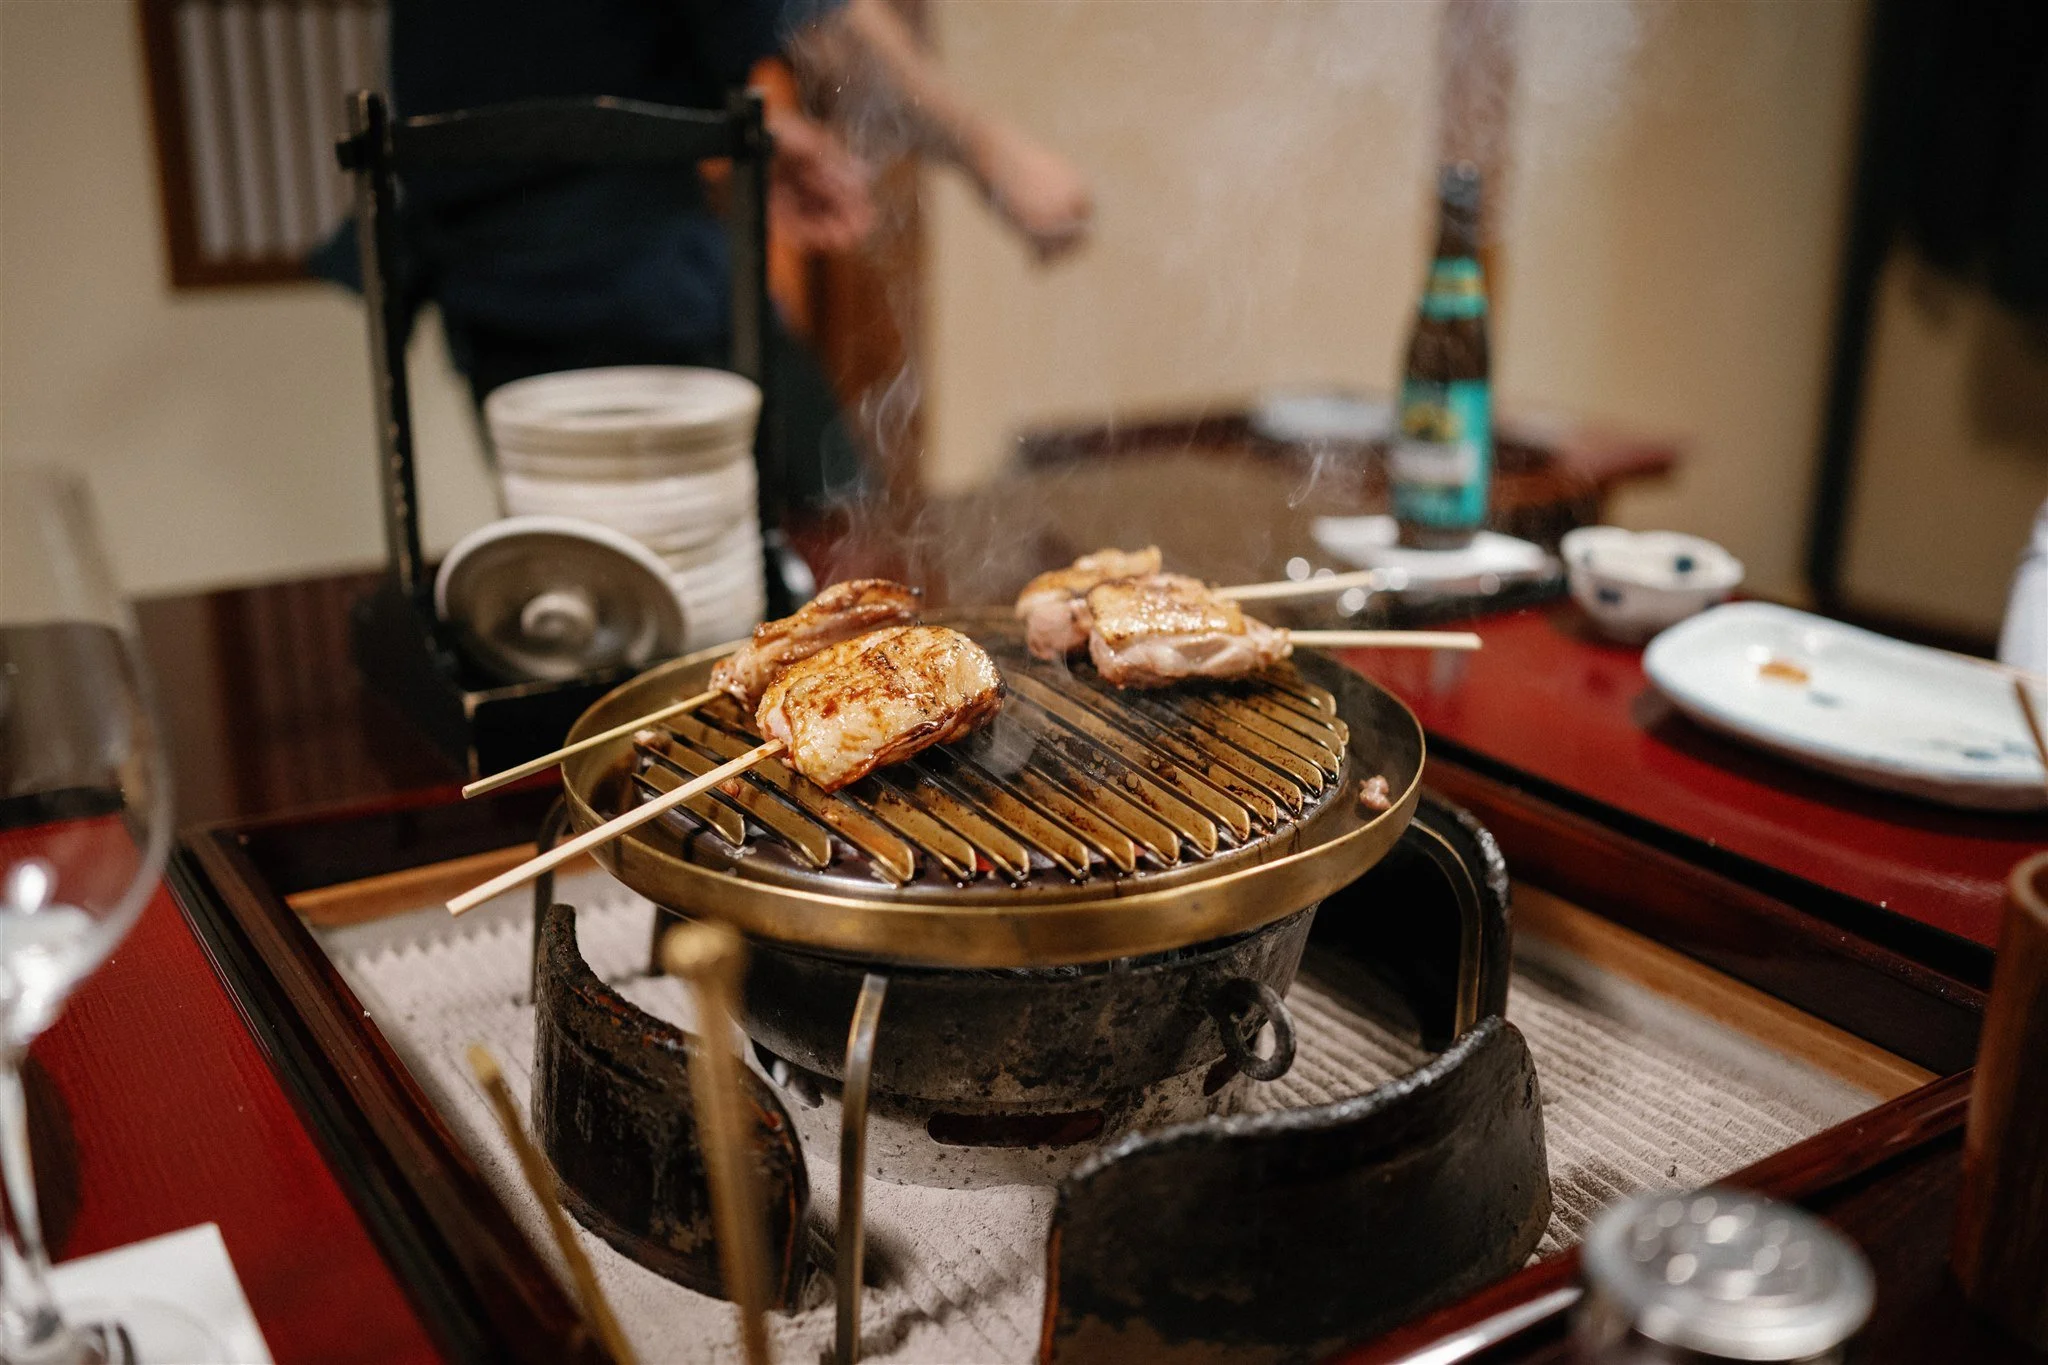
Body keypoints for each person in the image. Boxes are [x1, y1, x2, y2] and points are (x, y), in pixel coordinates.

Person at [313, 0, 1091, 515]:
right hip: (620, 288)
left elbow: (559, 56)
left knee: (601, 596)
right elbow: (823, 25)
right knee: (824, 543)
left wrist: (741, 139)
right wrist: (993, 151)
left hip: (491, 288)